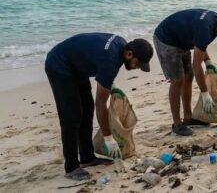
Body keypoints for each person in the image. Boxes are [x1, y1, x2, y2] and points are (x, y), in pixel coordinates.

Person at [45, 33, 153, 180]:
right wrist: (109, 138)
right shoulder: (110, 59)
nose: (137, 68)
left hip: (77, 66)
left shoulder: (121, 45)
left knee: (87, 109)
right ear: (129, 54)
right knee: (71, 116)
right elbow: (101, 104)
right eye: (138, 63)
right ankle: (71, 167)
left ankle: (87, 157)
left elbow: (102, 63)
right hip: (59, 65)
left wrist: (111, 86)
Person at [154, 9, 217, 136]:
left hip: (182, 39)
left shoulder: (216, 22)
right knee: (177, 80)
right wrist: (205, 93)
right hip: (166, 39)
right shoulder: (206, 29)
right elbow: (197, 65)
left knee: (188, 76)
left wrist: (208, 61)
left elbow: (200, 44)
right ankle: (177, 125)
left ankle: (188, 118)